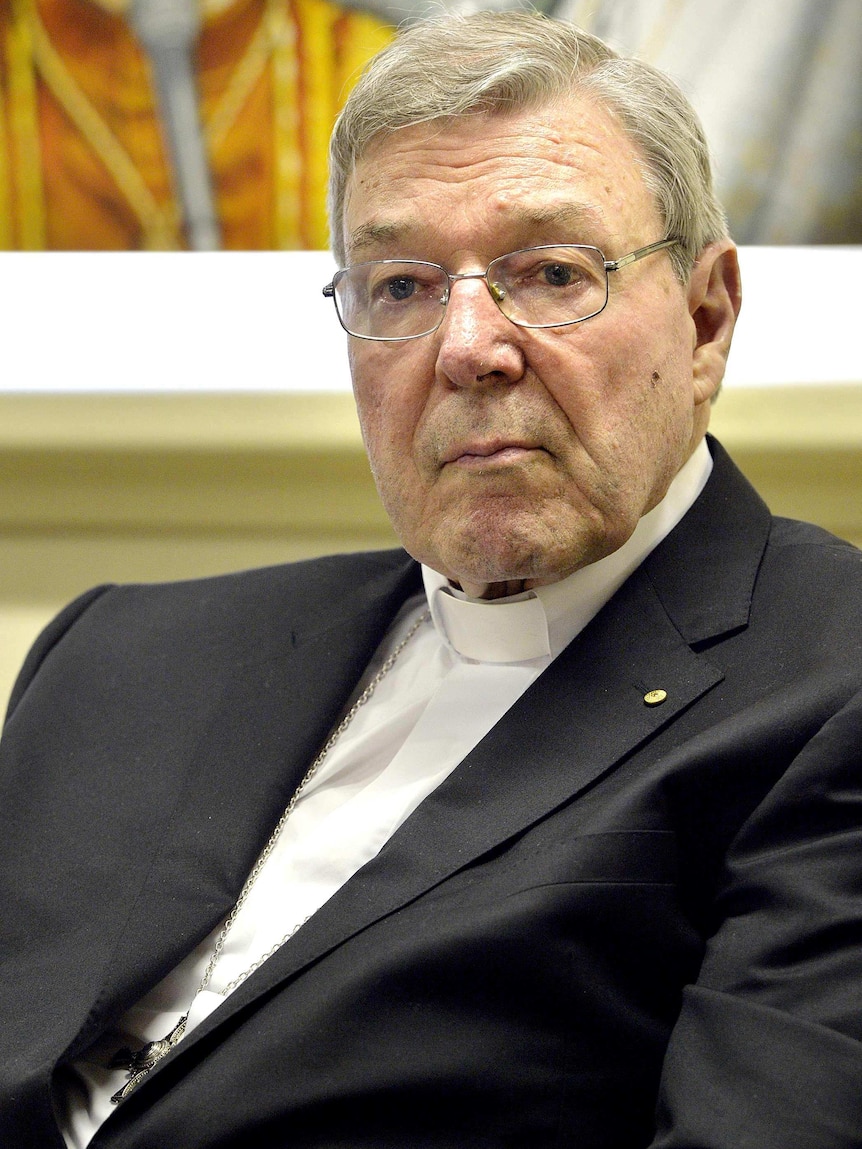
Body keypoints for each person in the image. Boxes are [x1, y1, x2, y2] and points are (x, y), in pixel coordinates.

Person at [1, 11, 860, 1149]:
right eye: (400, 286)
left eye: (551, 273)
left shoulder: (827, 682)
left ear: (705, 322)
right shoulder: (120, 658)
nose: (467, 347)